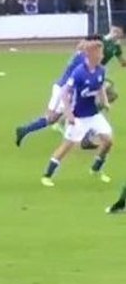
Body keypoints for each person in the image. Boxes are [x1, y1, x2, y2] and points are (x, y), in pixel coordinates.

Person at [41, 40, 112, 187]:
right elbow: (64, 92)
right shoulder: (79, 72)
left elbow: (100, 87)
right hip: (78, 116)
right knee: (68, 145)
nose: (102, 55)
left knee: (108, 141)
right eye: (99, 53)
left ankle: (95, 169)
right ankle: (47, 175)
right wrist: (69, 114)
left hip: (93, 115)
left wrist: (105, 102)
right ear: (91, 54)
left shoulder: (100, 70)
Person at [15, 39, 93, 145]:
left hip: (62, 88)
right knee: (59, 116)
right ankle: (82, 139)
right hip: (64, 90)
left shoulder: (79, 55)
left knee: (53, 118)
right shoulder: (83, 59)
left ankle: (24, 130)